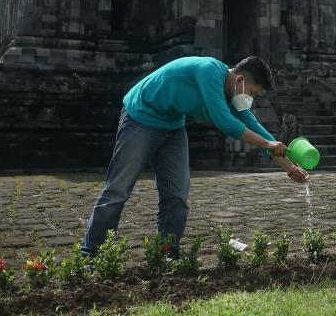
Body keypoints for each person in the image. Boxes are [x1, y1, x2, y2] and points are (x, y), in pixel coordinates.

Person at [81, 55, 308, 257]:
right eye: (252, 93)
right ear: (239, 80)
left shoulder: (233, 96)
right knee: (118, 189)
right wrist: (269, 143)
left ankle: (167, 251)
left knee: (177, 193)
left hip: (172, 124)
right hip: (141, 116)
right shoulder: (209, 71)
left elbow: (257, 130)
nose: (251, 99)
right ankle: (91, 251)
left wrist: (290, 168)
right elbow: (225, 122)